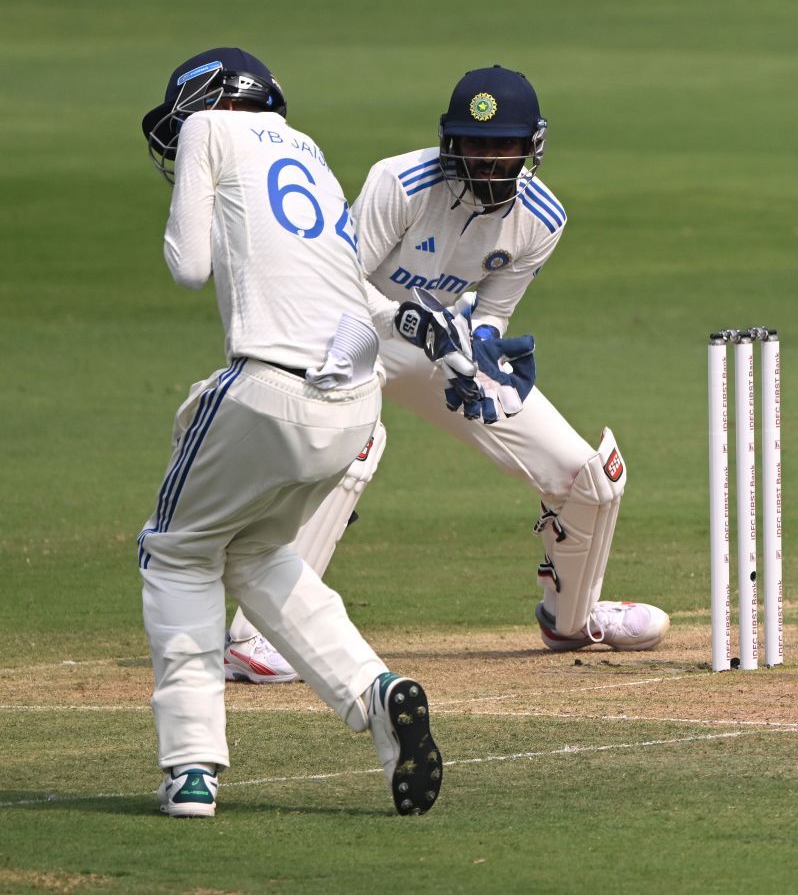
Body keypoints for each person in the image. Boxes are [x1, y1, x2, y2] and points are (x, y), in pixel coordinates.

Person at [221, 66, 667, 685]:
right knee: (353, 444)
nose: (484, 159)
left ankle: (571, 619)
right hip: (349, 335)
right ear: (449, 141)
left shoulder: (542, 217)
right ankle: (257, 637)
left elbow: (492, 311)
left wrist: (483, 349)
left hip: (436, 339)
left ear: (530, 146)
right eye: (471, 143)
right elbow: (340, 284)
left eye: (500, 146)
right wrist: (404, 319)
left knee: (585, 476)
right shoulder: (399, 181)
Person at [137, 48, 448, 816]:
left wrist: (192, 190)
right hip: (351, 408)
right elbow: (356, 294)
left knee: (175, 552)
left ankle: (191, 768)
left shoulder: (210, 128)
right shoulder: (309, 153)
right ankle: (377, 694)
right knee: (257, 552)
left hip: (266, 390)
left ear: (208, 100)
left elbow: (186, 266)